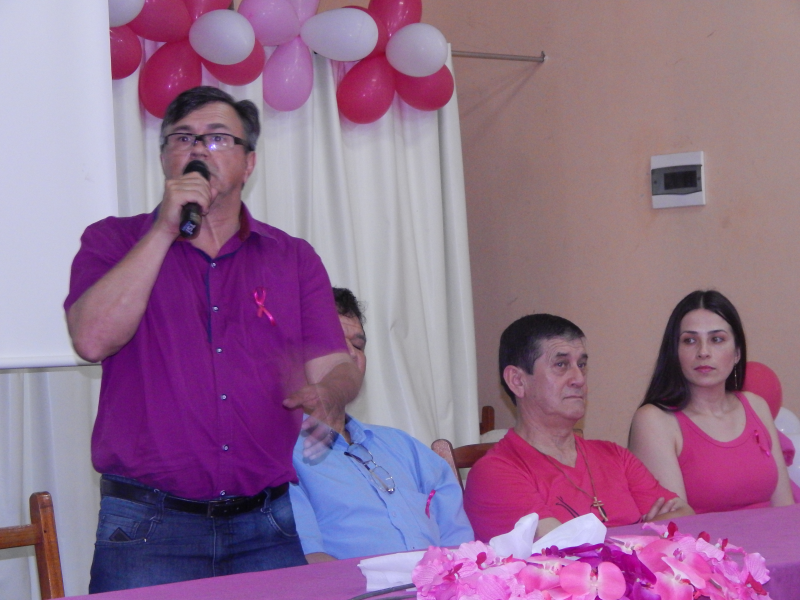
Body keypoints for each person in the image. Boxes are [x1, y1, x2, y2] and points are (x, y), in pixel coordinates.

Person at [64, 87, 361, 592]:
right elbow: (91, 341)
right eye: (183, 138)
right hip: (147, 528)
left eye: (218, 138)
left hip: (265, 524)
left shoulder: (291, 258)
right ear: (165, 158)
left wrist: (331, 393)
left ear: (249, 163)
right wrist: (164, 230)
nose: (199, 148)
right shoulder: (112, 240)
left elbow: (337, 364)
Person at [463, 314, 693, 542]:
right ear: (517, 381)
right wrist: (645, 533)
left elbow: (686, 519)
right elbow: (563, 550)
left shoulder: (615, 456)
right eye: (561, 365)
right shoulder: (495, 473)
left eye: (581, 365)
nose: (579, 379)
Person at [289, 288, 474, 561]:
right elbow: (309, 564)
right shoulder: (279, 459)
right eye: (333, 342)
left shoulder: (406, 447)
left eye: (358, 345)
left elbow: (462, 551)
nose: (351, 354)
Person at [629, 290, 794, 514]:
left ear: (737, 353)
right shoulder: (655, 420)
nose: (703, 352)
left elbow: (784, 509)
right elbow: (676, 525)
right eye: (690, 340)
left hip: (774, 536)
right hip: (702, 538)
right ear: (674, 353)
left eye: (716, 339)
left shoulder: (756, 406)